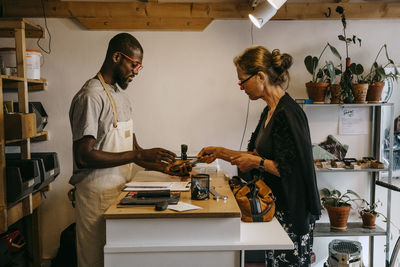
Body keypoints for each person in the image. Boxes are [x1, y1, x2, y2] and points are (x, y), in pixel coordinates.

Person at [198, 46, 321, 266]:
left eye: (242, 81)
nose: (241, 87)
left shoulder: (288, 113)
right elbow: (255, 154)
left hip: (292, 213)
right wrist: (220, 152)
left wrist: (256, 162)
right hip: (274, 209)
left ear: (261, 76)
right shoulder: (269, 111)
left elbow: (289, 169)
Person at [69, 33, 177, 267]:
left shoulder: (121, 96)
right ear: (117, 57)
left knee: (118, 260)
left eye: (140, 66)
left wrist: (166, 168)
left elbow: (133, 150)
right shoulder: (91, 96)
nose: (136, 71)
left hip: (120, 192)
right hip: (95, 196)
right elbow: (84, 156)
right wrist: (139, 154)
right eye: (133, 64)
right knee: (95, 259)